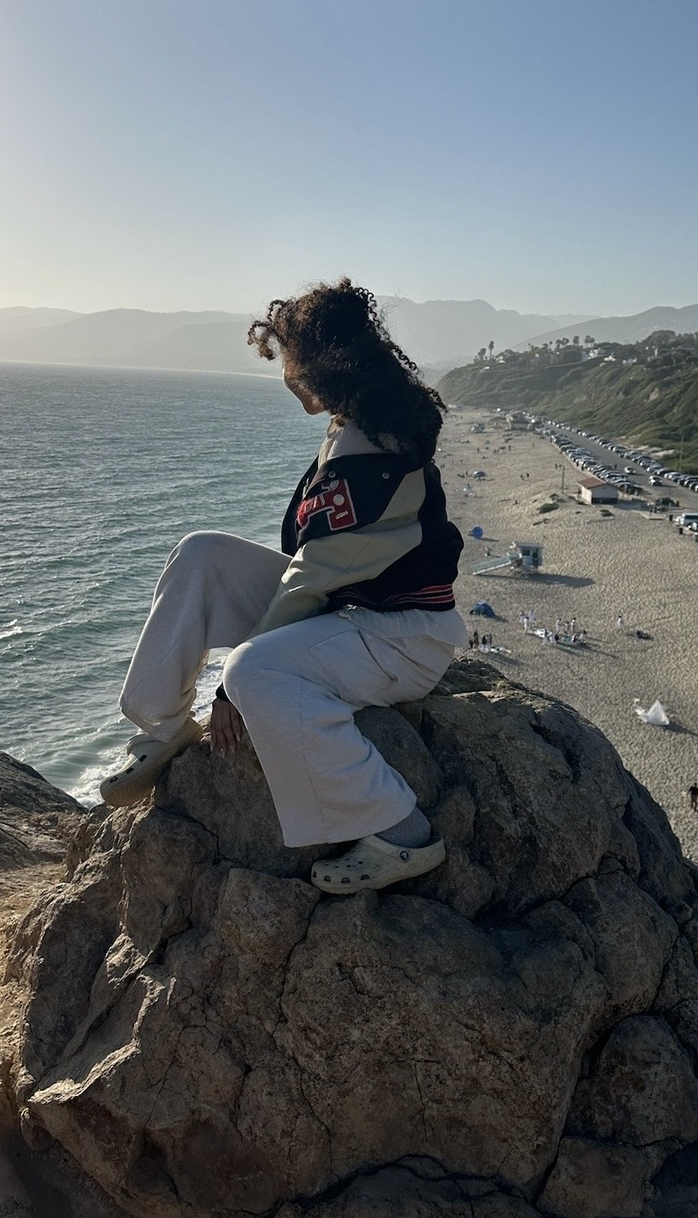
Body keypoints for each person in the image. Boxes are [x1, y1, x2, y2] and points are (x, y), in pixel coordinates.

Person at [99, 279, 466, 895]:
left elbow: (309, 581)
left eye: (290, 362)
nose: (287, 375)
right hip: (348, 612)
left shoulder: (374, 457)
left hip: (399, 637)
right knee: (202, 554)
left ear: (323, 363)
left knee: (253, 674)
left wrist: (227, 691)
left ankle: (403, 833)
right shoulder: (356, 425)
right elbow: (315, 574)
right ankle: (163, 727)